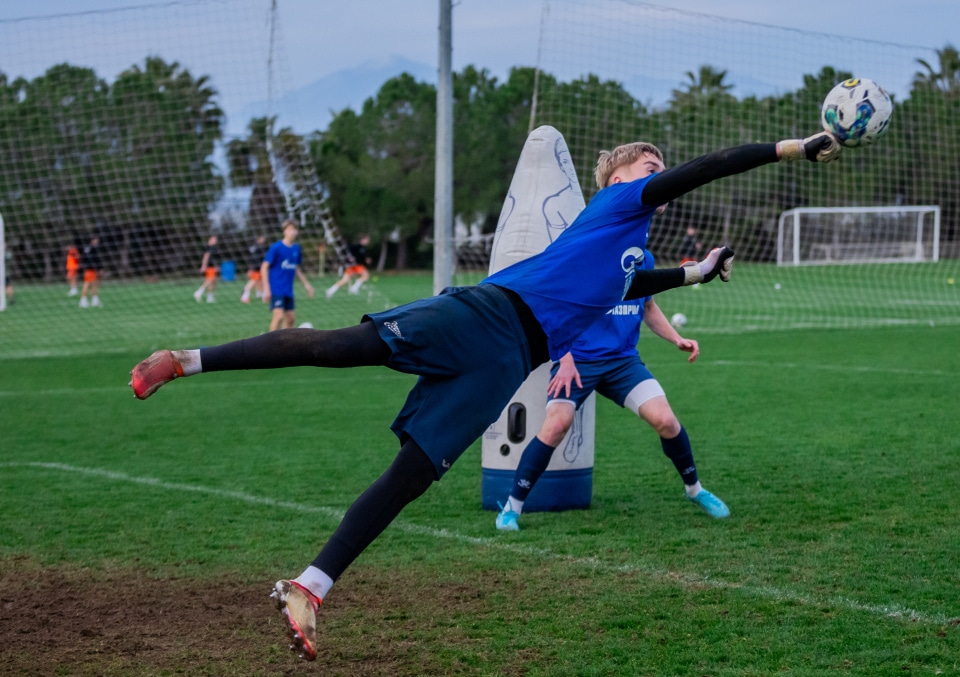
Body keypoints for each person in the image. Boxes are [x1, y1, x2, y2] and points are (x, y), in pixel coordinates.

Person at [130, 131, 840, 661]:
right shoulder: (621, 200)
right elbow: (705, 168)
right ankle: (183, 359)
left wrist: (695, 272)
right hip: (487, 314)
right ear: (618, 178)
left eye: (655, 165)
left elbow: (633, 284)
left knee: (414, 472)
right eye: (644, 164)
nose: (655, 171)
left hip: (508, 360)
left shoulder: (625, 249)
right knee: (338, 345)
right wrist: (791, 148)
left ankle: (309, 586)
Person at [495, 250, 728, 532]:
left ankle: (695, 490)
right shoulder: (588, 254)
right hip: (578, 361)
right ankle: (511, 509)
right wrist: (564, 357)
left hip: (622, 361)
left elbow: (648, 305)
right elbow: (554, 308)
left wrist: (675, 337)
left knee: (665, 420)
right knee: (556, 425)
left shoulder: (645, 259)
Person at [261, 219, 315, 331]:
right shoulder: (276, 247)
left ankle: (283, 345)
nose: (293, 232)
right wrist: (266, 288)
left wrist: (307, 285)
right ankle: (269, 344)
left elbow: (296, 269)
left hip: (288, 290)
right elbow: (264, 267)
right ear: (284, 231)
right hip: (276, 288)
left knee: (290, 319)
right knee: (279, 316)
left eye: (295, 229)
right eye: (290, 229)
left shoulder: (296, 249)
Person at [325, 234, 372, 298]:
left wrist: (365, 260)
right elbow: (349, 252)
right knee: (365, 275)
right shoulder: (357, 246)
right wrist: (350, 258)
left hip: (355, 266)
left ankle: (331, 290)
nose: (368, 241)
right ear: (363, 240)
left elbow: (360, 257)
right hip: (354, 266)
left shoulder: (362, 248)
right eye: (367, 240)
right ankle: (354, 288)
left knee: (345, 280)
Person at [240, 234, 268, 304]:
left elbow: (252, 258)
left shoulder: (254, 247)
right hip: (257, 267)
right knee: (253, 281)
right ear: (259, 239)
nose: (263, 240)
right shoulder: (259, 247)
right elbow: (256, 258)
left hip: (256, 267)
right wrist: (252, 268)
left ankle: (261, 295)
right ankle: (245, 294)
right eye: (262, 238)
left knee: (260, 281)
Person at [194, 235, 220, 303]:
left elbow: (214, 258)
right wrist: (203, 266)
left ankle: (209, 297)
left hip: (213, 267)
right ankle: (198, 292)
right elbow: (206, 256)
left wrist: (216, 266)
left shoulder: (213, 247)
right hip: (209, 267)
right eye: (214, 239)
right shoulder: (209, 247)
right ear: (210, 240)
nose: (215, 241)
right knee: (209, 280)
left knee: (213, 282)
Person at [79, 236, 103, 308]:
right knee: (87, 284)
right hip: (90, 269)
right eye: (96, 240)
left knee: (94, 284)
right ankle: (83, 301)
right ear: (92, 240)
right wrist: (99, 268)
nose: (97, 241)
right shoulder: (91, 248)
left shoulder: (88, 248)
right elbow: (93, 259)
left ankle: (94, 300)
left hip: (90, 269)